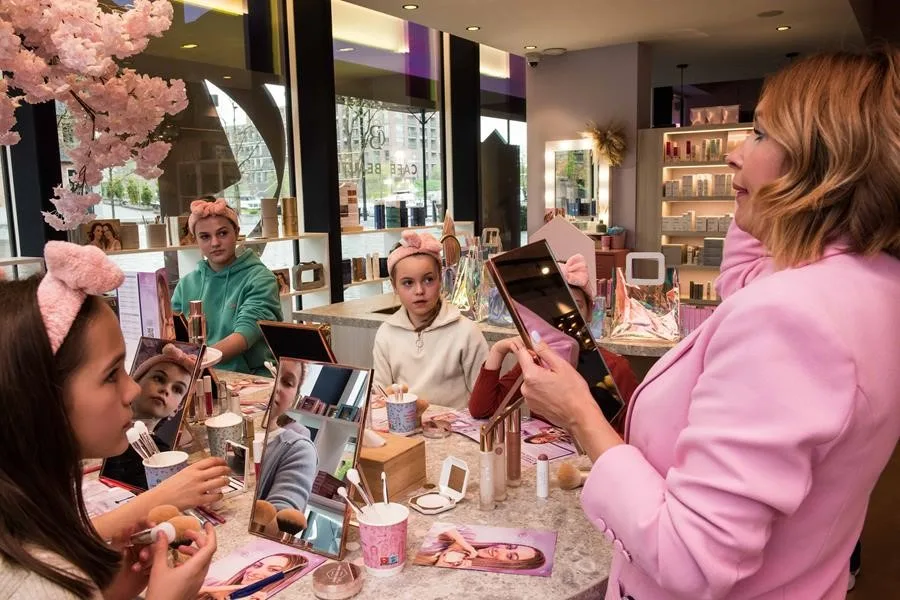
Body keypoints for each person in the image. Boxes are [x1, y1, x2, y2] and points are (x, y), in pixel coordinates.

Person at [514, 47, 900, 599]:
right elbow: (740, 273)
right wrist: (770, 200)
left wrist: (578, 414)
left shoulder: (789, 318)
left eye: (761, 134)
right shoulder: (873, 283)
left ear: (825, 162)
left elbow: (691, 559)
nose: (733, 156)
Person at [0, 241, 221, 599]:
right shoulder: (34, 583)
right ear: (39, 397)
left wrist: (111, 591)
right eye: (110, 374)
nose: (132, 389)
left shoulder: (30, 517)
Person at [468, 254, 638, 426]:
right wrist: (498, 350)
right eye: (553, 310)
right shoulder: (537, 362)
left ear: (589, 312)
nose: (565, 319)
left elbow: (631, 435)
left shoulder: (615, 368)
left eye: (576, 306)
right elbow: (482, 410)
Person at [373, 230, 489, 409]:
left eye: (428, 280)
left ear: (441, 279)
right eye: (408, 283)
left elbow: (484, 401)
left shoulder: (466, 332)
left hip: (455, 432)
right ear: (394, 286)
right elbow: (379, 396)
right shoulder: (386, 333)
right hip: (404, 431)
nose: (419, 290)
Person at [172, 197, 282, 375]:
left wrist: (198, 362)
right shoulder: (186, 284)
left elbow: (245, 335)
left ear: (236, 232)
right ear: (196, 240)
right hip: (198, 373)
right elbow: (174, 334)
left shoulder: (260, 279)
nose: (215, 243)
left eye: (222, 233)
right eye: (205, 237)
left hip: (249, 379)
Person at [257, 359, 318, 512]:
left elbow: (283, 515)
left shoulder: (299, 450)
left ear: (294, 400)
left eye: (287, 382)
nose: (276, 387)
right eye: (271, 375)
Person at [412, 525, 546, 571]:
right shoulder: (467, 535)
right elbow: (440, 525)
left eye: (509, 556)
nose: (500, 549)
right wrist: (462, 543)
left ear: (508, 565)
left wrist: (441, 564)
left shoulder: (461, 569)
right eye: (509, 546)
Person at [131, 343, 196, 431]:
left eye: (177, 389)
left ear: (176, 410)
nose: (166, 389)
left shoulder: (160, 445)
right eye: (158, 378)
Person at [197, 553, 306, 600]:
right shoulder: (212, 583)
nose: (254, 572)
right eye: (257, 565)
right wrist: (217, 590)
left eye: (273, 570)